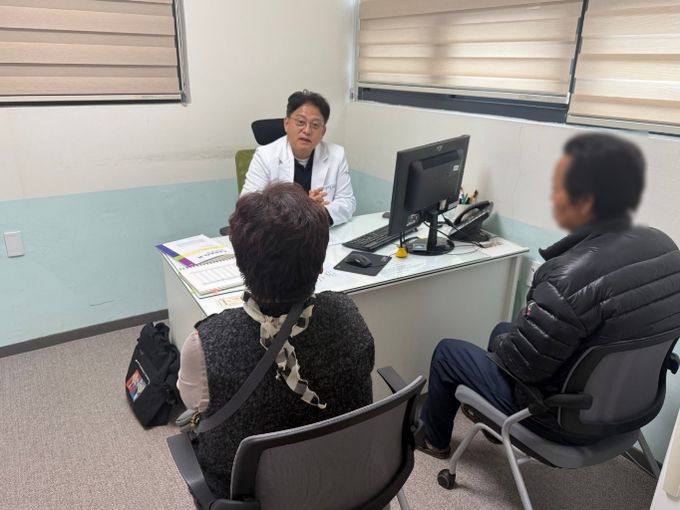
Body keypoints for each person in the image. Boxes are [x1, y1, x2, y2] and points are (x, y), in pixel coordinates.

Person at [419, 133, 680, 458]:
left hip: (561, 419)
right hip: (626, 407)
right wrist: (509, 338)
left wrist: (505, 344)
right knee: (502, 330)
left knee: (448, 352)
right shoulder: (665, 248)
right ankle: (493, 425)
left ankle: (434, 440)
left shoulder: (567, 277)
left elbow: (523, 366)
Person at [177, 182, 374, 498]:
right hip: (344, 485)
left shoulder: (205, 343)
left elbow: (192, 403)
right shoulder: (347, 314)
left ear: (240, 262)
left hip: (250, 499)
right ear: (321, 262)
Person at [241, 89, 356, 226]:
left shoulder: (336, 154)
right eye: (301, 122)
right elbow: (248, 208)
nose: (307, 131)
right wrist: (305, 211)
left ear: (323, 132)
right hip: (279, 234)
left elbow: (348, 202)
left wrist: (321, 212)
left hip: (319, 232)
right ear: (286, 124)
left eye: (315, 125)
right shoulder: (265, 156)